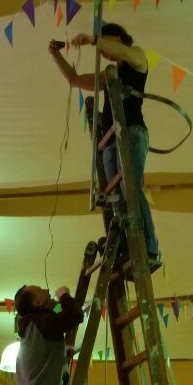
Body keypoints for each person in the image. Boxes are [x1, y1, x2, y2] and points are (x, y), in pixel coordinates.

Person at [48, 23, 162, 271]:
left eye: (107, 45)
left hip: (131, 132)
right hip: (110, 142)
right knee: (117, 198)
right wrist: (55, 55)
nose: (105, 52)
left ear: (119, 38)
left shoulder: (137, 58)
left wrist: (93, 39)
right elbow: (75, 80)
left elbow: (124, 52)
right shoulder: (109, 75)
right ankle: (129, 246)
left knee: (131, 188)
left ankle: (149, 247)